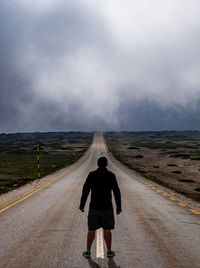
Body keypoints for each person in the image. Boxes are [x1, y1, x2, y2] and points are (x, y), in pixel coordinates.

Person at [79, 156, 121, 258]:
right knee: (107, 229)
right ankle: (109, 251)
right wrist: (119, 207)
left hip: (94, 207)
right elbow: (116, 192)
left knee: (91, 229)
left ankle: (88, 251)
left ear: (97, 164)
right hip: (107, 207)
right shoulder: (111, 175)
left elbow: (85, 190)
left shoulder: (92, 175)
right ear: (107, 164)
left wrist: (82, 205)